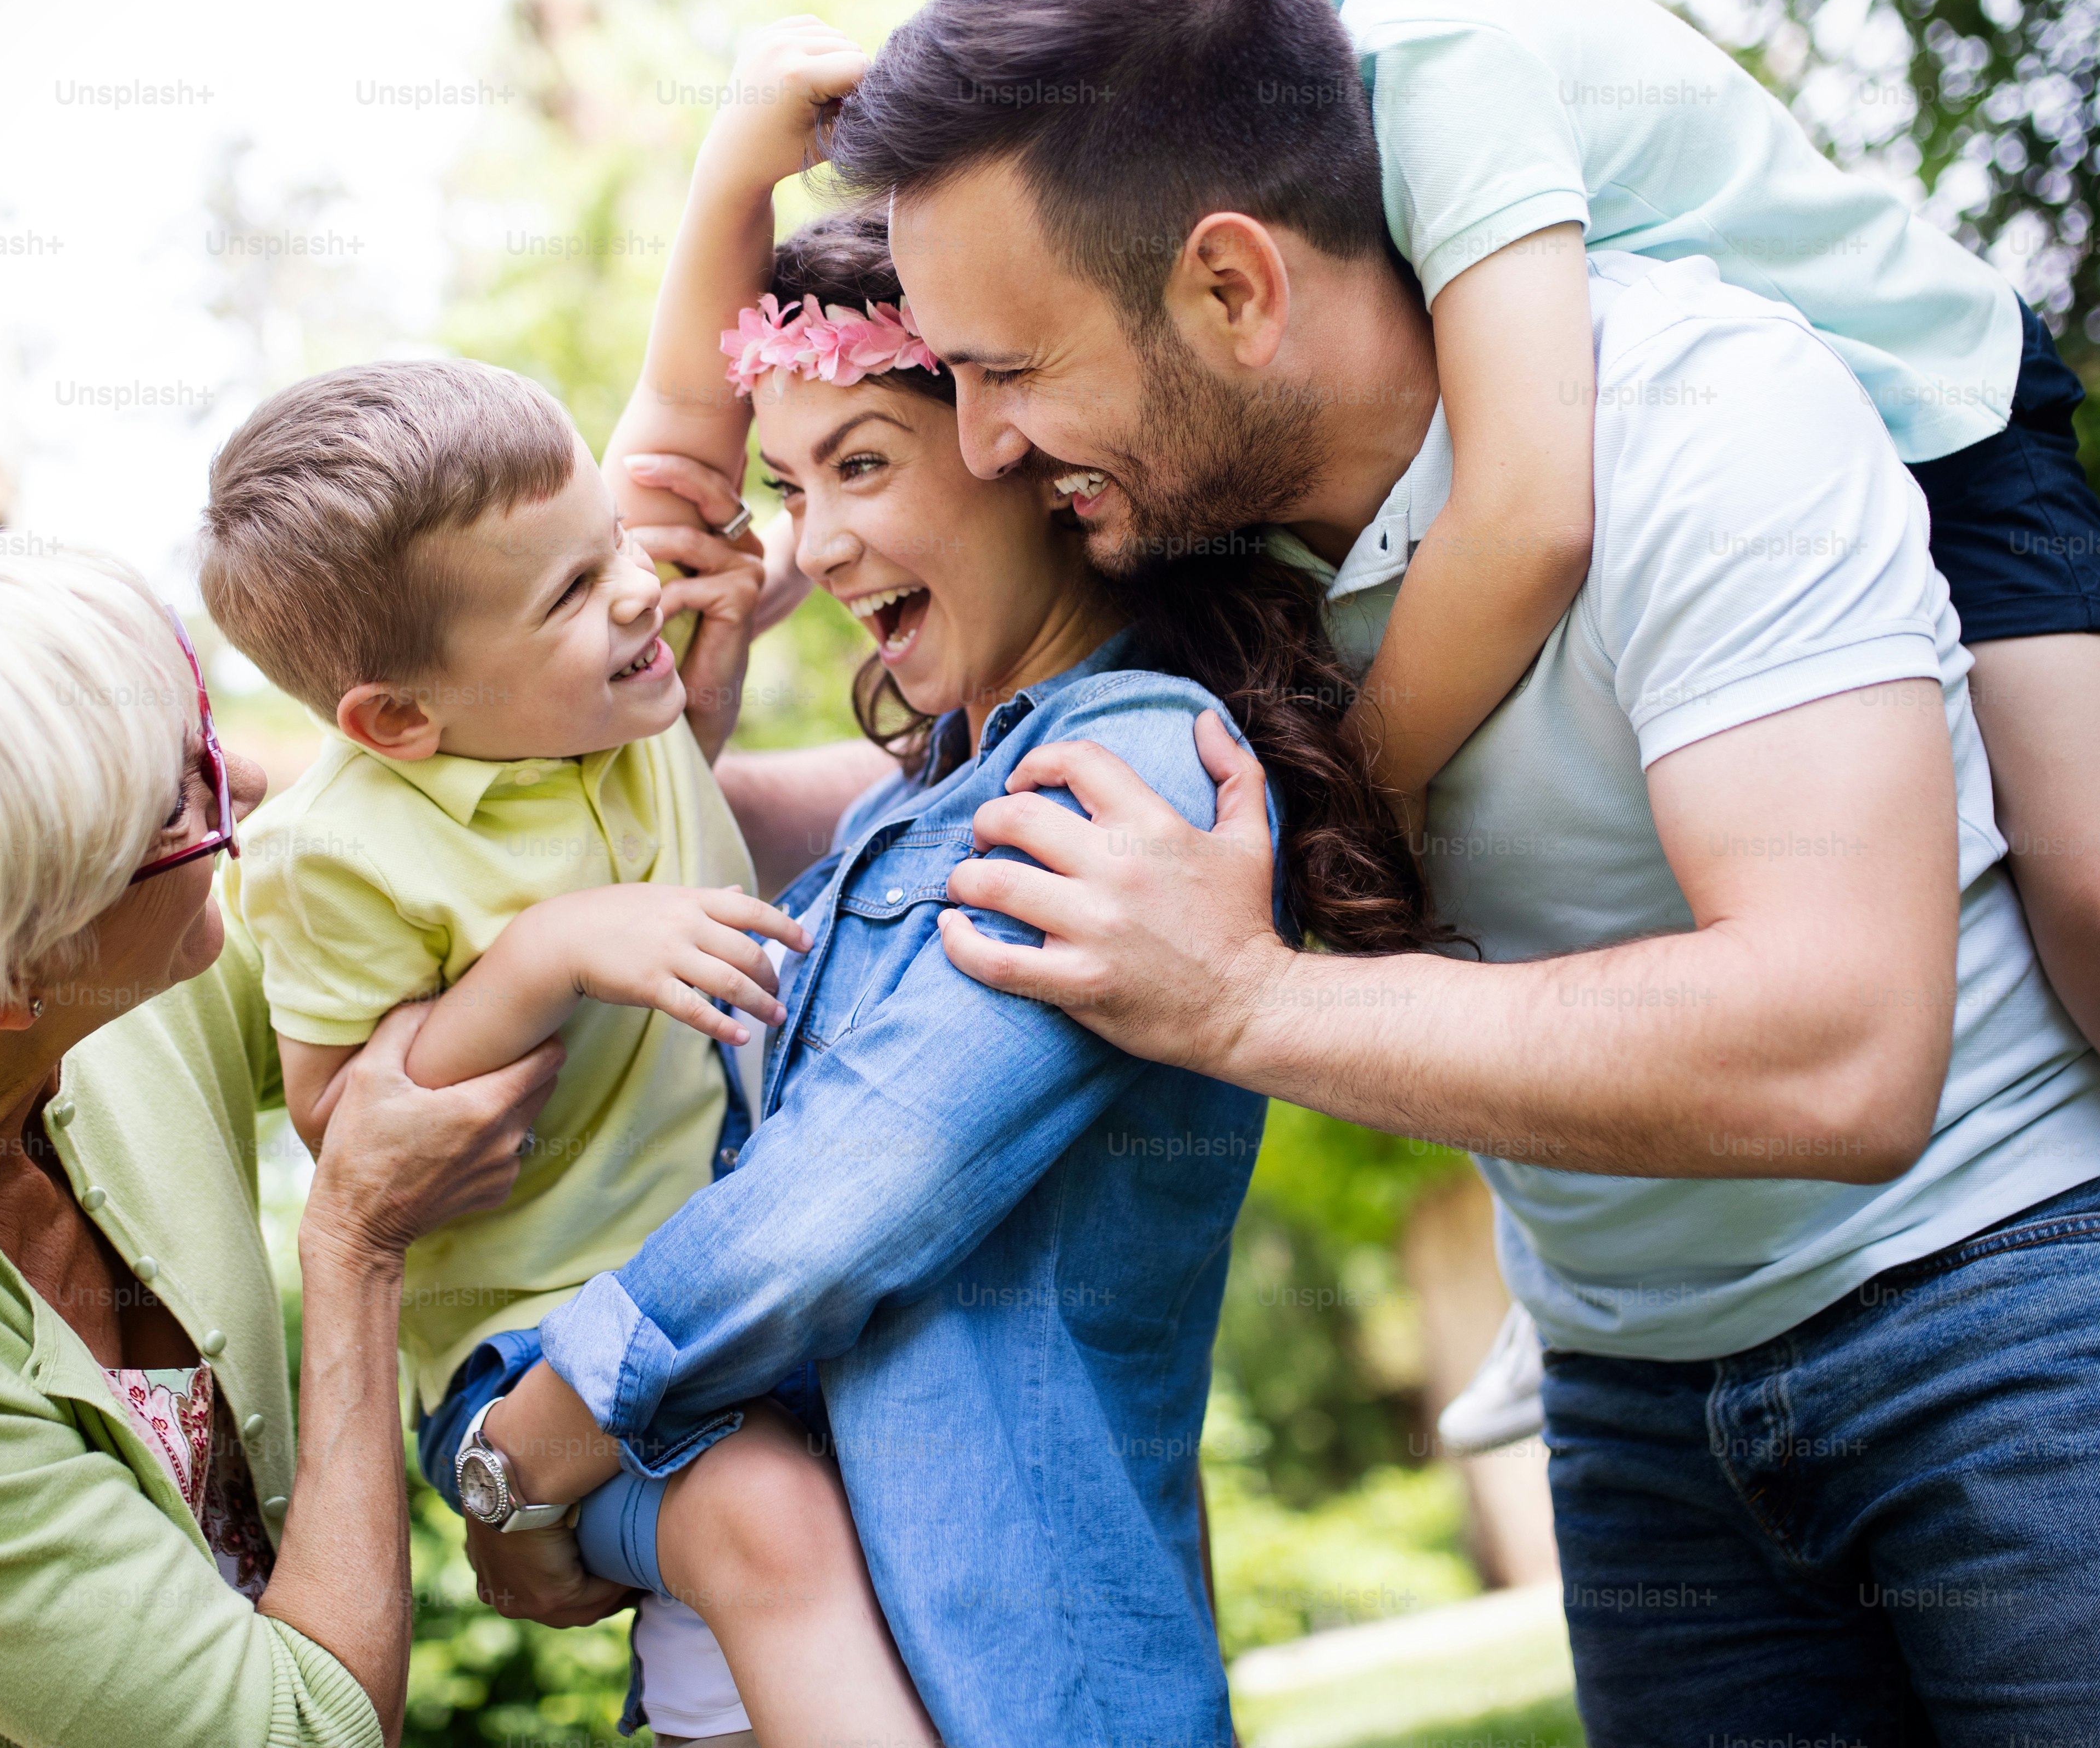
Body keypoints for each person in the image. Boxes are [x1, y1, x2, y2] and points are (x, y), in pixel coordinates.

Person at [828, 0, 2100, 1738]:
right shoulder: (1169, 543)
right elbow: (889, 823)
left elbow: (1841, 1051)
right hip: (1634, 1416)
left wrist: (1241, 1001)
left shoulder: (1699, 413)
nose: (980, 442)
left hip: (2003, 1332)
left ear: (1232, 288)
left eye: (1007, 366)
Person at [446, 86, 1438, 1746]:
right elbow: (630, 826)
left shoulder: (1128, 770)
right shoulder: (925, 800)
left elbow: (854, 1182)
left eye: (862, 465)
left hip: (1007, 1684)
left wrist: (528, 1443)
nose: (817, 543)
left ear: (1014, 453)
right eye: (790, 488)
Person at [0, 541, 557, 1746]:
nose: (252, 791)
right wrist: (358, 1242)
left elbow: (469, 915)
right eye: (182, 800)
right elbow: (308, 1733)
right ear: (12, 976)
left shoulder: (110, 987)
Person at [195, 360, 929, 1745]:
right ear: (398, 719)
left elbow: (693, 428)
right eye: (573, 594)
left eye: (610, 549)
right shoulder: (339, 851)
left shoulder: (617, 686)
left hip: (745, 1268)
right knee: (765, 1529)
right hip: (537, 1343)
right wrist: (545, 952)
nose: (636, 592)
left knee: (796, 1572)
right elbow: (347, 1121)